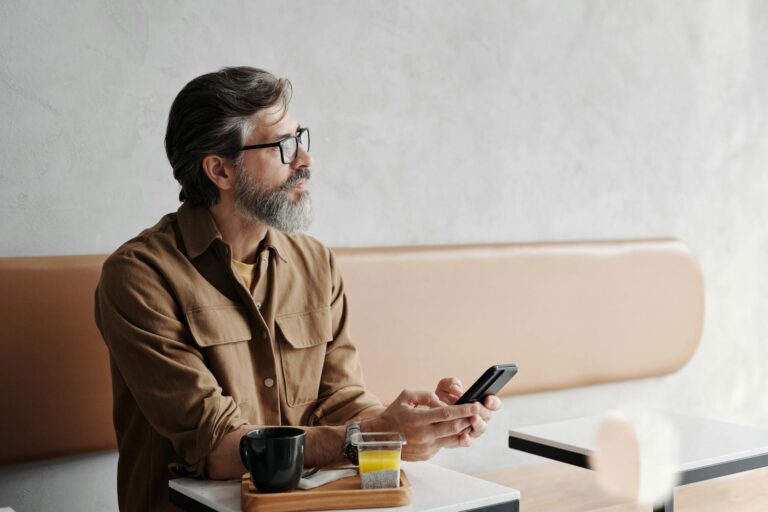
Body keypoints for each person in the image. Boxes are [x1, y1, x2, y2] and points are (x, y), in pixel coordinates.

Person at [95, 66, 501, 512]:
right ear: (220, 171)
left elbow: (341, 399)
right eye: (284, 147)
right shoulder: (139, 277)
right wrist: (368, 437)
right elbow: (219, 449)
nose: (305, 160)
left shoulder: (314, 262)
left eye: (301, 138)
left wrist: (412, 428)